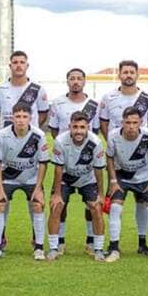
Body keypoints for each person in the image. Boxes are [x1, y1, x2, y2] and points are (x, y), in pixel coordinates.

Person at [98, 60, 148, 254]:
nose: (128, 75)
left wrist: (139, 143)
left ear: (137, 75)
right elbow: (104, 123)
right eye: (125, 72)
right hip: (120, 163)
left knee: (145, 204)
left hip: (141, 162)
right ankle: (114, 247)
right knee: (115, 207)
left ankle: (145, 245)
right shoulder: (109, 98)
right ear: (120, 75)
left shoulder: (147, 98)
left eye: (132, 72)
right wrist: (117, 143)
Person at [48, 68, 99, 255]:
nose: (75, 81)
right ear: (67, 81)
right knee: (61, 203)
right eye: (72, 78)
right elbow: (54, 130)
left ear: (84, 81)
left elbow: (96, 132)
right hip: (65, 158)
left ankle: (91, 241)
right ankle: (59, 242)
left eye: (79, 79)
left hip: (86, 163)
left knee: (90, 203)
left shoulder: (93, 104)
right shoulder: (58, 103)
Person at [0, 103, 50, 261]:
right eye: (17, 116)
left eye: (24, 117)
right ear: (12, 118)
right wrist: (0, 188)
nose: (21, 120)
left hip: (31, 178)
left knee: (37, 205)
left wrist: (38, 188)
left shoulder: (38, 135)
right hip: (8, 177)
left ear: (30, 118)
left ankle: (38, 247)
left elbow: (43, 163)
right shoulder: (2, 135)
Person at [47, 112, 107, 261]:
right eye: (75, 127)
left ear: (88, 127)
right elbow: (58, 168)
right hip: (66, 178)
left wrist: (101, 194)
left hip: (87, 179)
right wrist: (57, 194)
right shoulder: (60, 140)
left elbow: (99, 170)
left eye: (82, 127)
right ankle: (55, 247)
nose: (78, 131)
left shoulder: (96, 142)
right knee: (56, 206)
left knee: (96, 207)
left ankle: (97, 248)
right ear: (69, 127)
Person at [104, 107, 148, 261]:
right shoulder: (113, 135)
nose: (131, 126)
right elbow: (109, 157)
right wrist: (113, 181)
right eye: (127, 122)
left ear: (140, 123)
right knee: (115, 208)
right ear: (122, 122)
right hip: (121, 175)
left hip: (143, 177)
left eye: (134, 122)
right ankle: (114, 248)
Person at [0, 50, 49, 129]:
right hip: (6, 136)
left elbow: (43, 114)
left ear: (27, 65)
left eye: (22, 62)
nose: (18, 65)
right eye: (15, 62)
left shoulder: (38, 89)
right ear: (10, 66)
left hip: (29, 136)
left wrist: (29, 127)